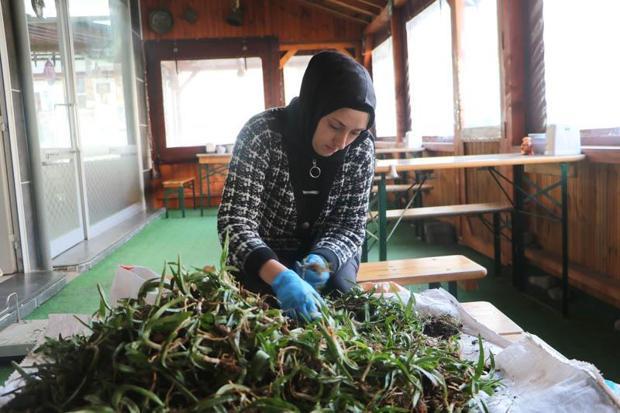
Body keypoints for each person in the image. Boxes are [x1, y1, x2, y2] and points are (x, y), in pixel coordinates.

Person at [217, 51, 376, 320]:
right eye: (335, 126)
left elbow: (350, 224)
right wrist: (280, 276)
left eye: (355, 132)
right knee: (258, 308)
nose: (342, 142)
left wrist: (322, 261)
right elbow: (235, 221)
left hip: (328, 253)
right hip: (266, 249)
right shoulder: (262, 133)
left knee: (339, 302)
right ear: (314, 107)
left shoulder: (360, 150)